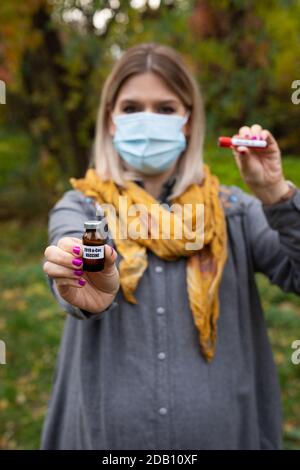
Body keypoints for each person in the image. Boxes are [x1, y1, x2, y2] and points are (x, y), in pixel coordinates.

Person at [41, 42, 300, 450]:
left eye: (165, 108)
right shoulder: (84, 206)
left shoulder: (233, 211)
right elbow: (73, 251)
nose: (148, 120)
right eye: (131, 108)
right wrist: (84, 281)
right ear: (110, 120)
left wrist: (277, 195)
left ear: (187, 120)